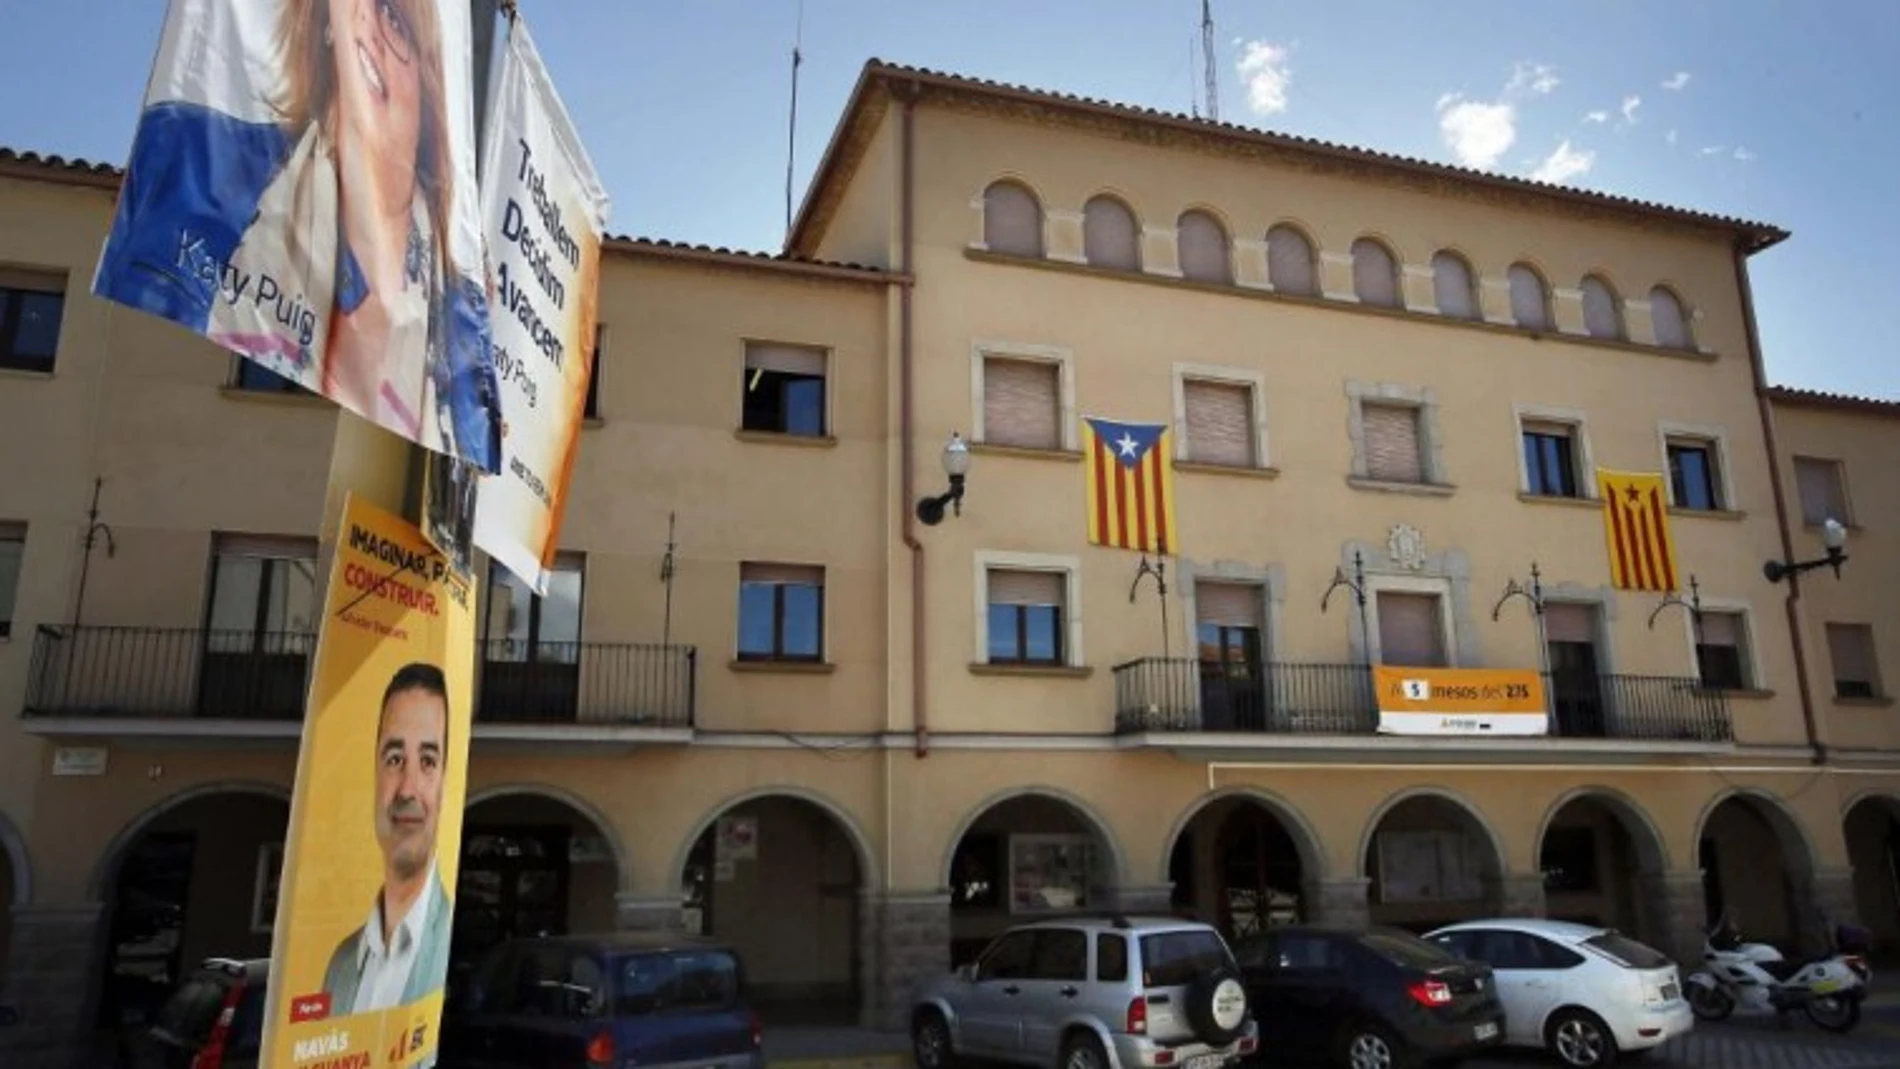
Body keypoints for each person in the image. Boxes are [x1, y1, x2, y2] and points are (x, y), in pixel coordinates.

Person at [93, 0, 502, 473]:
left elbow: (470, 464)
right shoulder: (195, 162)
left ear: (432, 86)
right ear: (330, 22)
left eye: (394, 18)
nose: (368, 23)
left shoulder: (461, 316)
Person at [322, 662, 456, 1014]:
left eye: (427, 761)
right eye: (395, 759)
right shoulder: (340, 964)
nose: (407, 789)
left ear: (445, 782)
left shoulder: (454, 947)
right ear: (375, 773)